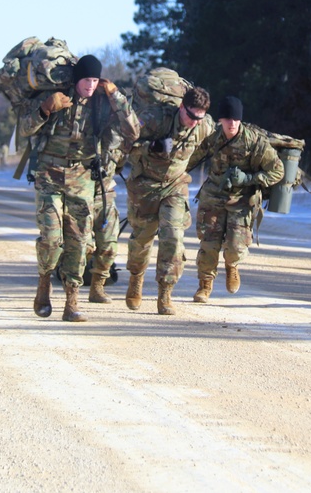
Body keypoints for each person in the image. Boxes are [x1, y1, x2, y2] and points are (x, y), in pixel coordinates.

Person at [17, 54, 139, 322]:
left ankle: (72, 302)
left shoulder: (102, 104)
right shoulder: (55, 96)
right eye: (86, 80)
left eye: (95, 80)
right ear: (76, 79)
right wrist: (45, 109)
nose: (91, 85)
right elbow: (25, 129)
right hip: (49, 174)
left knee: (78, 241)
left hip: (83, 178)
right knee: (51, 238)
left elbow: (133, 131)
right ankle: (44, 282)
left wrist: (116, 96)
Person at [124, 86, 214, 315]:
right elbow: (125, 145)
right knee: (141, 240)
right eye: (191, 115)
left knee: (173, 236)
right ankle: (136, 278)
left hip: (174, 187)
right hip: (145, 185)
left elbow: (228, 138)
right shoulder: (154, 118)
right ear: (181, 107)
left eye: (199, 118)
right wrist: (150, 147)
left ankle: (165, 293)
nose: (194, 122)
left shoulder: (204, 126)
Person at [187, 96, 284, 303]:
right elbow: (190, 159)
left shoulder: (255, 142)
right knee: (209, 244)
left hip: (241, 200)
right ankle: (204, 285)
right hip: (213, 197)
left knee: (235, 248)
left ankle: (232, 266)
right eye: (227, 119)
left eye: (236, 120)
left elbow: (277, 171)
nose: (232, 124)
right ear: (220, 120)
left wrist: (250, 178)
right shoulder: (213, 139)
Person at [86, 144, 126, 304]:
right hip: (78, 194)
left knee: (109, 246)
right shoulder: (83, 128)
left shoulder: (116, 133)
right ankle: (69, 291)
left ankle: (97, 287)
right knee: (81, 246)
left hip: (105, 195)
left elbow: (120, 162)